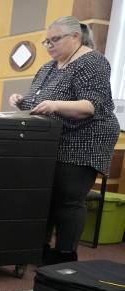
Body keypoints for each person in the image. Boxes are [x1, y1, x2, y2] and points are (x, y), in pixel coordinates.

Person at [8, 16, 119, 264]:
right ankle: (40, 250)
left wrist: (57, 105)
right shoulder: (49, 67)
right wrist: (20, 100)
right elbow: (40, 102)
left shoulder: (93, 62)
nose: (49, 45)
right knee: (45, 195)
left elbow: (92, 105)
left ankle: (64, 257)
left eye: (54, 40)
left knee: (68, 197)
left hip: (86, 136)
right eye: (46, 41)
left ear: (75, 37)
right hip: (54, 138)